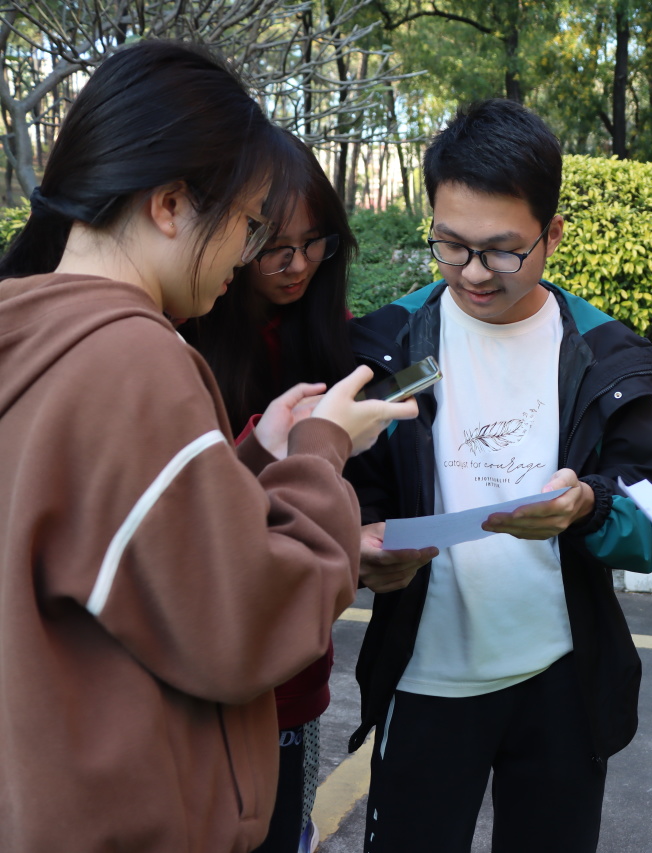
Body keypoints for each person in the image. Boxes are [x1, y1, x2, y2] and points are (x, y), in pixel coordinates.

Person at [0, 41, 416, 852]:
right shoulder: (134, 358)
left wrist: (255, 458)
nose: (249, 254)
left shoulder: (31, 335)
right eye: (249, 223)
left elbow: (118, 542)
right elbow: (253, 618)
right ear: (169, 205)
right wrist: (322, 447)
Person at [343, 98, 652, 852]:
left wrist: (589, 507)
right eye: (450, 245)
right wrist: (357, 543)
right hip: (422, 676)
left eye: (501, 251)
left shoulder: (603, 352)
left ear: (551, 235)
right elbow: (350, 492)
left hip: (560, 682)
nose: (472, 273)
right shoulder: (389, 343)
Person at [180, 133, 358, 853]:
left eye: (315, 242)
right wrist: (278, 446)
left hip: (295, 664)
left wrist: (362, 532)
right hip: (212, 665)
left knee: (285, 828)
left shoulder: (336, 333)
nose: (300, 264)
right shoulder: (182, 343)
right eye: (274, 248)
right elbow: (193, 517)